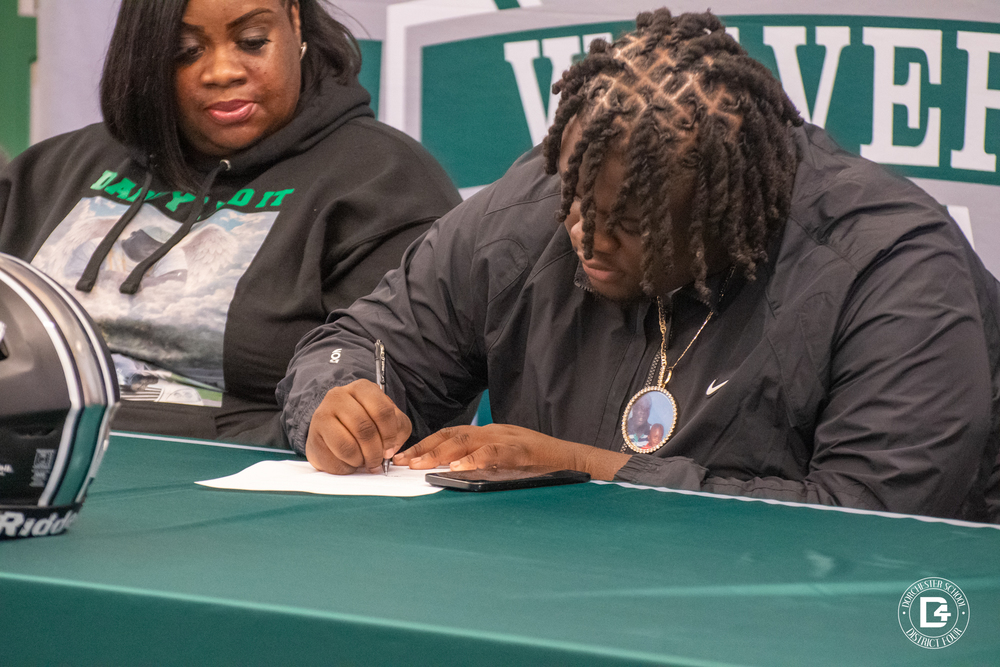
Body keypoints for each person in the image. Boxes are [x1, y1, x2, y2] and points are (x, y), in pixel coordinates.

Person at [277, 9, 1000, 522]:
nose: (585, 236)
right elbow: (357, 345)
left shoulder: (890, 265)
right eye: (577, 199)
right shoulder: (541, 204)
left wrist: (581, 468)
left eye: (631, 226)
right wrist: (340, 397)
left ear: (729, 215)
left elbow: (871, 524)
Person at [0, 0, 460, 447]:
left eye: (253, 41)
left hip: (245, 488)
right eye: (186, 51)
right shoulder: (55, 168)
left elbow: (411, 392)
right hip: (33, 461)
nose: (223, 71)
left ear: (295, 20)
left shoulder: (386, 181)